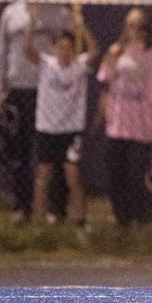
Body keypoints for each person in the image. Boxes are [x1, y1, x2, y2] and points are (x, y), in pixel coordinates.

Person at [0, 0, 74, 223]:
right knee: (20, 150)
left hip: (50, 91)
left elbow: (70, 50)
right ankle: (21, 207)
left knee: (53, 149)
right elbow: (1, 50)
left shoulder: (59, 13)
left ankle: (56, 209)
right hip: (19, 90)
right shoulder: (12, 12)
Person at [96, 8, 152, 228]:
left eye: (139, 25)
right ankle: (123, 223)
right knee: (117, 179)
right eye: (130, 25)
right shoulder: (116, 52)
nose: (134, 30)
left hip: (142, 127)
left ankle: (145, 223)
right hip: (117, 125)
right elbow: (106, 85)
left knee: (140, 180)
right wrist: (101, 118)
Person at [23, 12, 96, 233]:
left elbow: (94, 51)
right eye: (60, 48)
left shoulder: (79, 66)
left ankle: (80, 224)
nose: (64, 52)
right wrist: (31, 26)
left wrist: (81, 27)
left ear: (73, 50)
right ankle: (40, 224)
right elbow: (28, 50)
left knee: (73, 177)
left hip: (70, 131)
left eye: (68, 48)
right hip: (47, 129)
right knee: (43, 177)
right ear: (53, 49)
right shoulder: (47, 64)